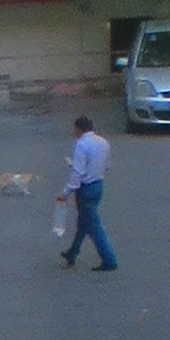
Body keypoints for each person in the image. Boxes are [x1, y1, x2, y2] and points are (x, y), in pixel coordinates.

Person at [59, 113, 118, 274]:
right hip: (98, 184)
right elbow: (107, 165)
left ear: (79, 128)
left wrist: (65, 193)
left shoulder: (81, 145)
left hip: (85, 188)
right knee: (84, 222)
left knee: (93, 225)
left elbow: (77, 174)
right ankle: (72, 252)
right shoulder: (103, 142)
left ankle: (109, 259)